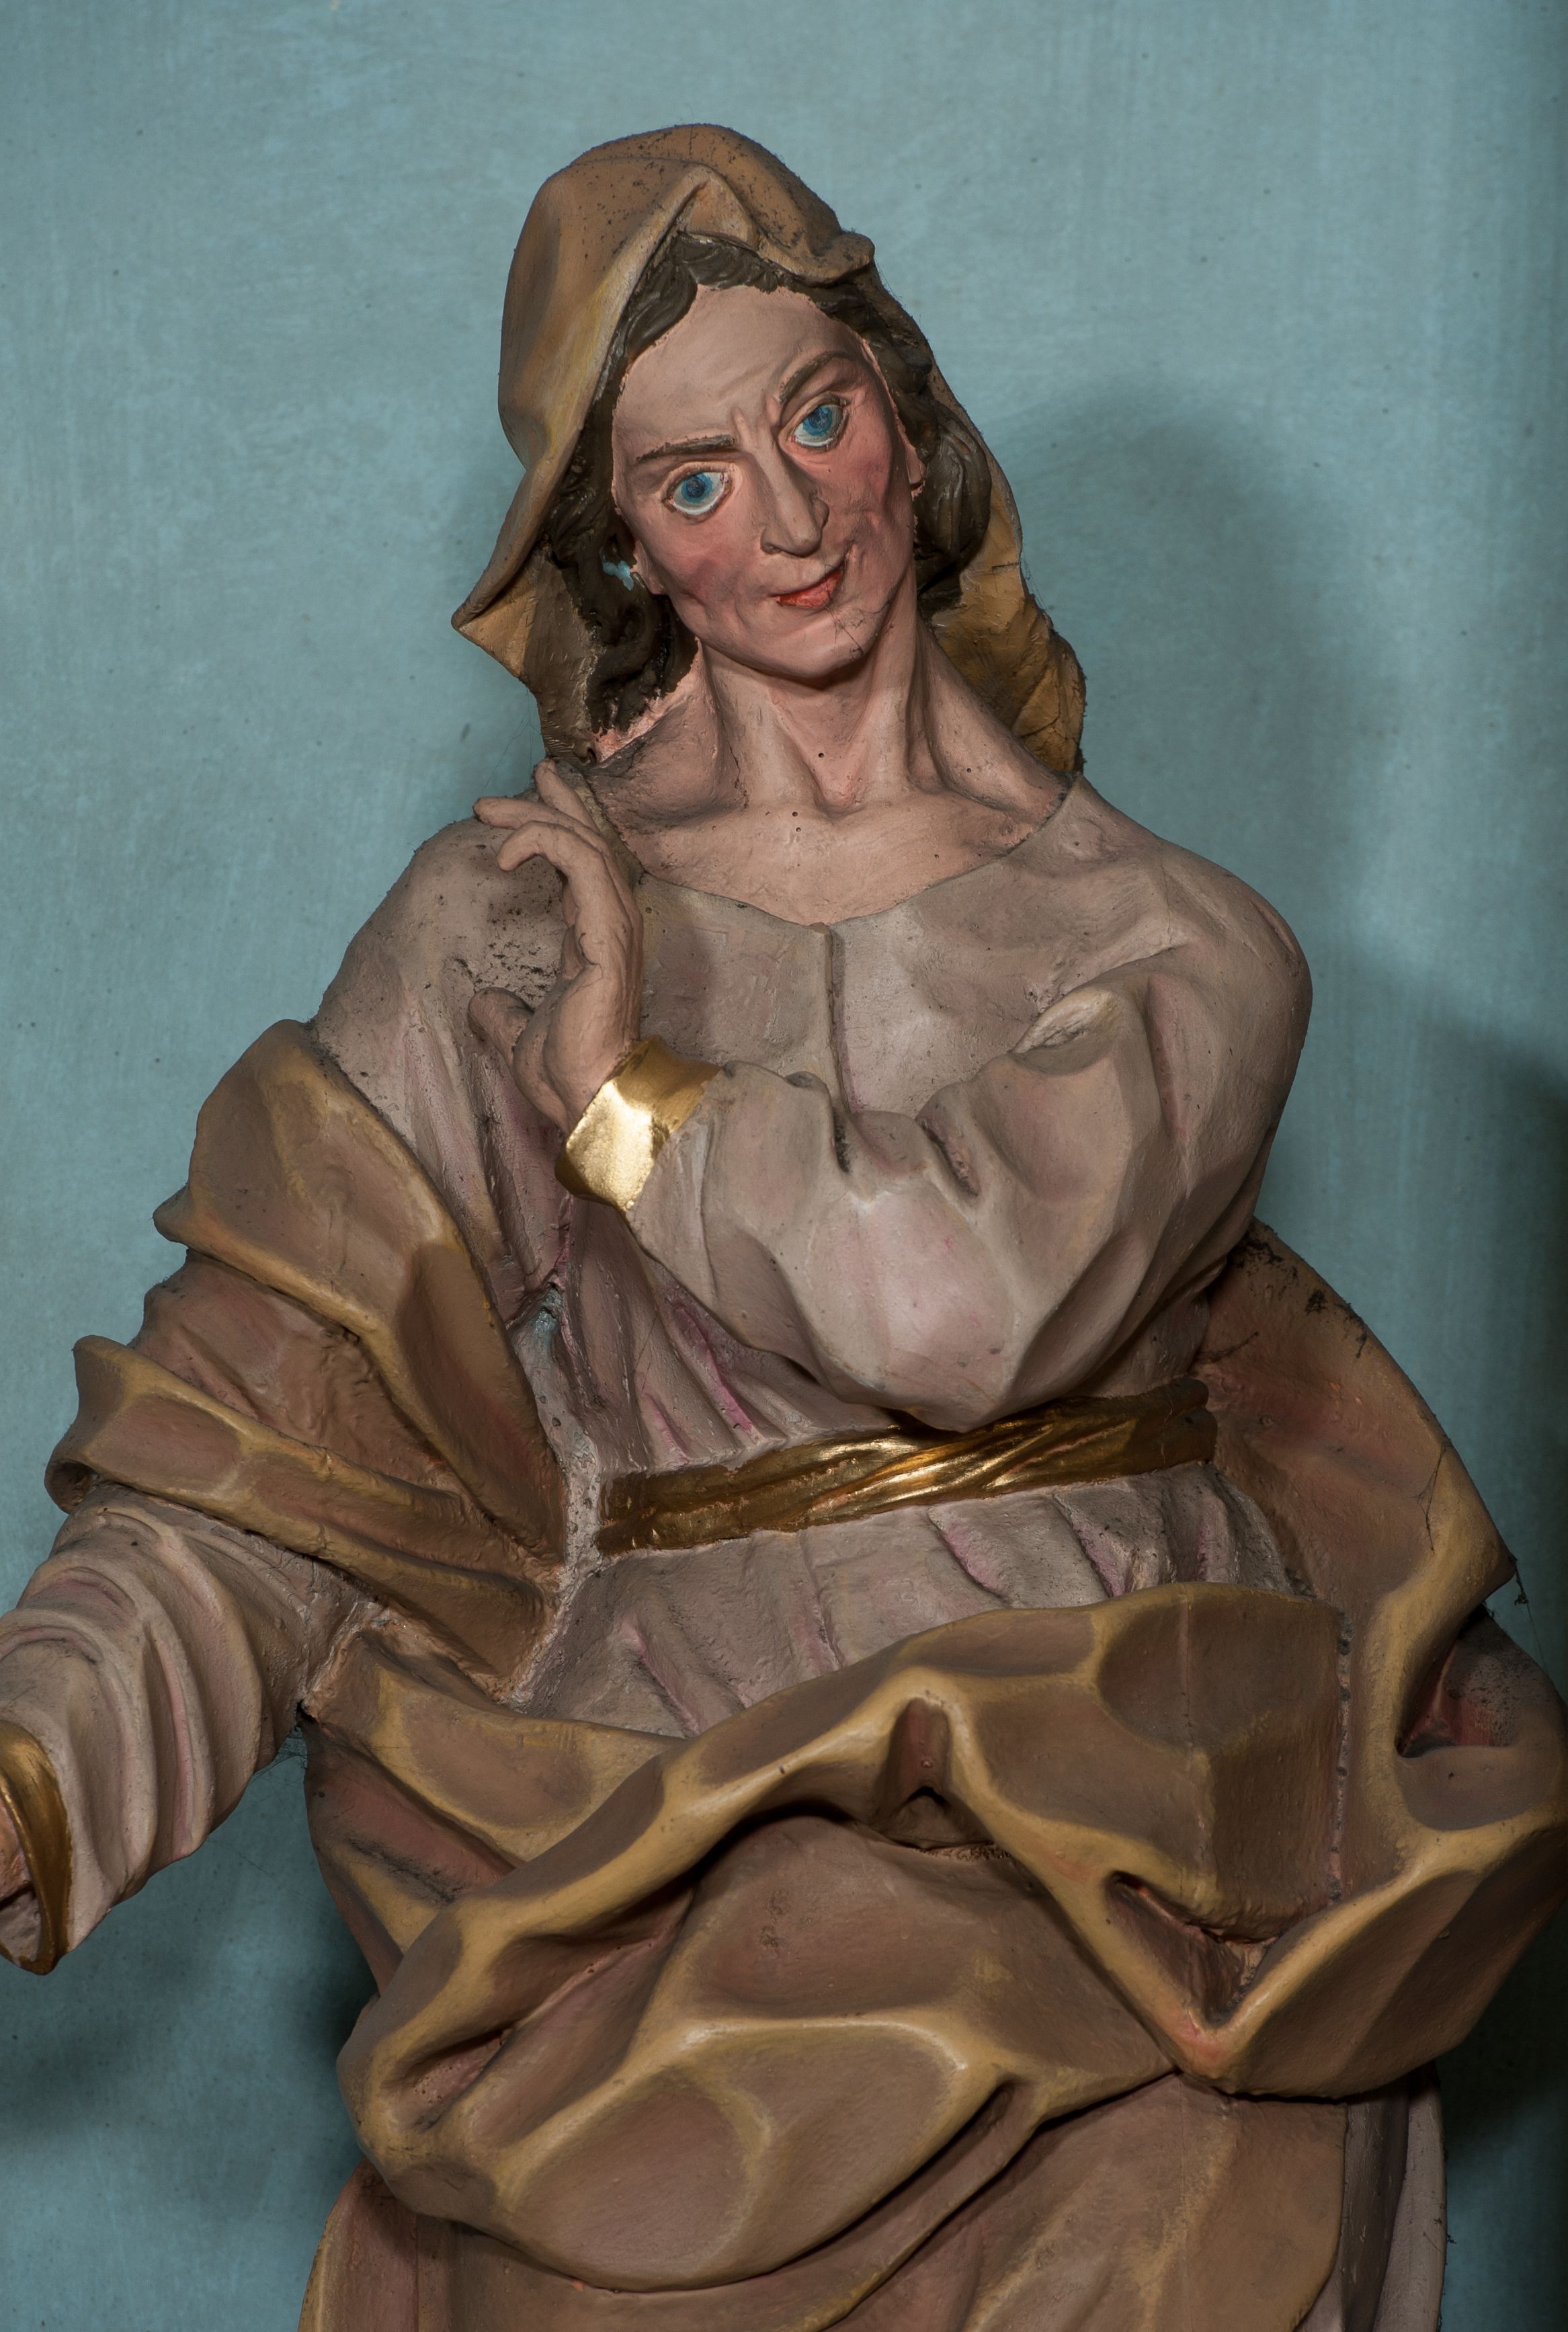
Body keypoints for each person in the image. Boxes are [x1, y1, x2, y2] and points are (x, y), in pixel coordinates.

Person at [0, 126, 1563, 2332]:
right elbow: (263, 1449)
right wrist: (41, 1761)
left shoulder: (1182, 944)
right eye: (697, 479)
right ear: (624, 544)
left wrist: (627, 1105)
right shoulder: (509, 926)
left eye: (818, 420)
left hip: (1138, 1846)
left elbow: (965, 1306)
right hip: (669, 1839)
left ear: (910, 423)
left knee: (1188, 2205)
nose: (794, 520)